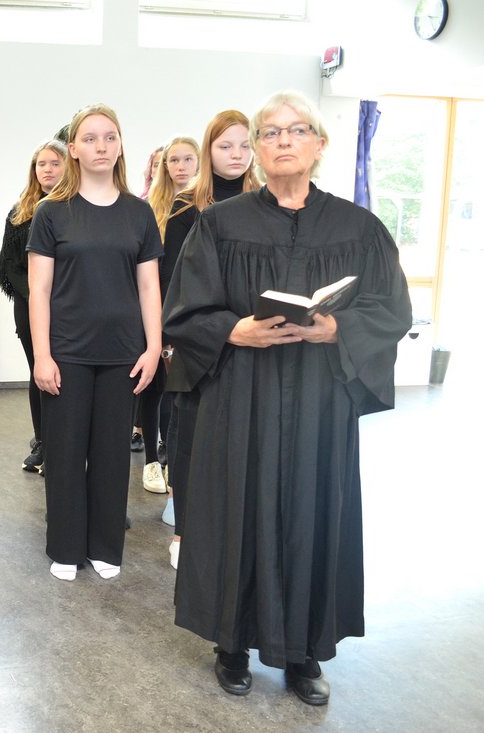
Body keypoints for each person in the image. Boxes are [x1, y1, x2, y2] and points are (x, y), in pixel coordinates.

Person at [162, 91, 411, 705]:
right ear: (257, 148)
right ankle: (231, 644)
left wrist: (338, 328)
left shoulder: (358, 228)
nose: (282, 141)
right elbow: (184, 310)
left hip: (320, 403)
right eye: (269, 133)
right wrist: (233, 330)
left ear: (319, 144)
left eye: (296, 130)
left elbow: (392, 310)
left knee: (313, 511)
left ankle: (304, 651)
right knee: (236, 510)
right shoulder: (221, 225)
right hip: (241, 396)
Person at [27, 104, 163, 581]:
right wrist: (42, 355)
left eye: (109, 137)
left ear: (120, 145)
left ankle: (106, 546)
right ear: (73, 149)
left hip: (123, 353)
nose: (100, 146)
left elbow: (149, 286)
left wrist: (153, 347)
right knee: (65, 454)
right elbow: (39, 289)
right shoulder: (51, 212)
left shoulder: (139, 213)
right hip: (67, 352)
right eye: (89, 138)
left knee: (111, 455)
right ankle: (65, 548)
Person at [159, 110, 259, 569]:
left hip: (253, 343)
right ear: (208, 150)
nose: (236, 155)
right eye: (225, 146)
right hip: (196, 343)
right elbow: (173, 282)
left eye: (245, 145)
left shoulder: (266, 205)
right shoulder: (185, 207)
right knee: (190, 440)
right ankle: (183, 531)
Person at [0, 139, 67, 474]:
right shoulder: (19, 212)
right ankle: (42, 442)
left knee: (65, 374)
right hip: (28, 305)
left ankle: (64, 443)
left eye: (54, 163)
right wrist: (36, 295)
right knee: (37, 371)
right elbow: (9, 266)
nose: (47, 170)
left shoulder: (75, 208)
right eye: (42, 164)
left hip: (67, 306)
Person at [136, 135, 200, 482]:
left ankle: (172, 455)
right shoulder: (151, 207)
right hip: (157, 307)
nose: (180, 167)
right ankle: (151, 460)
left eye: (188, 159)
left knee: (180, 387)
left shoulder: (206, 205)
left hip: (193, 310)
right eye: (173, 160)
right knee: (155, 385)